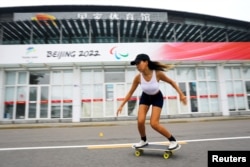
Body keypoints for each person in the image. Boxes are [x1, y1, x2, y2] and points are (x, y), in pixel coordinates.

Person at [116, 53, 187, 150]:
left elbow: (171, 82)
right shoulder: (138, 78)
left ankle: (173, 141)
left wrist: (181, 94)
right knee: (140, 121)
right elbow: (130, 92)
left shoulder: (157, 73)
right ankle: (143, 140)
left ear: (146, 62)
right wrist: (122, 105)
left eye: (138, 63)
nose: (137, 66)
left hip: (157, 97)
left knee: (154, 124)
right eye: (135, 64)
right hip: (145, 97)